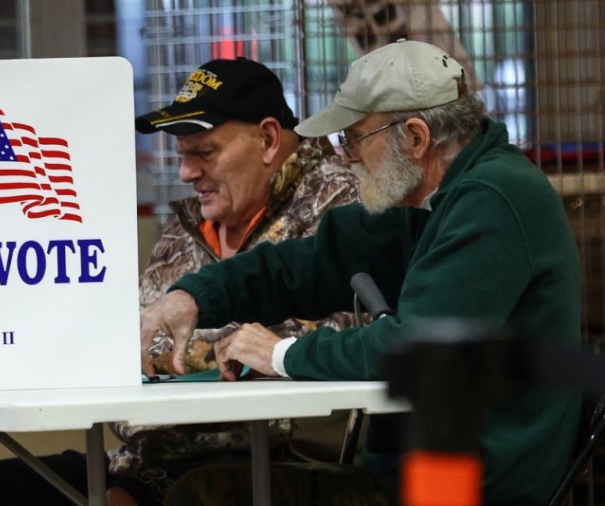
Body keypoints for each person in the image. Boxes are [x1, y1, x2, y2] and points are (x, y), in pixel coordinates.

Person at [140, 39, 582, 506]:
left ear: (414, 136)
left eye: (353, 138)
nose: (346, 155)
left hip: (473, 487)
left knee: (210, 496)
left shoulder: (493, 199)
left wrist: (282, 354)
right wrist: (190, 297)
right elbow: (304, 264)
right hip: (427, 474)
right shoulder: (429, 198)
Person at [0, 58, 360, 506]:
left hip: (271, 454)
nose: (186, 173)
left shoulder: (338, 200)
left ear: (267, 138)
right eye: (182, 155)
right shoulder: (186, 223)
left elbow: (314, 335)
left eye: (204, 152)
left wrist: (172, 350)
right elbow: (140, 338)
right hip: (144, 451)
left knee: (128, 499)